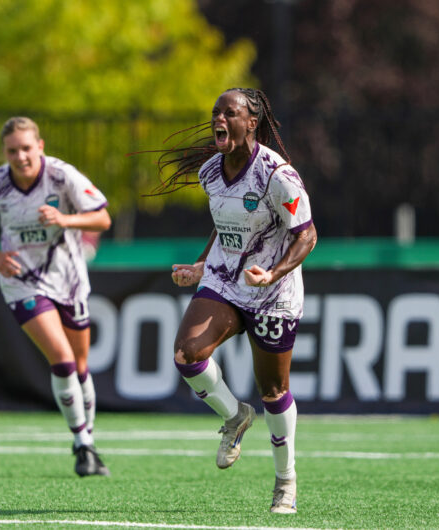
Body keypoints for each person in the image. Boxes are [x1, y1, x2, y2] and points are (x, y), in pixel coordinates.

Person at [157, 88, 316, 514]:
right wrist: (200, 264)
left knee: (274, 391)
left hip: (273, 293)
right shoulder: (211, 170)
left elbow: (307, 235)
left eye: (230, 113)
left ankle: (286, 482)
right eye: (215, 113)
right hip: (226, 281)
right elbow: (224, 222)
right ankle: (233, 417)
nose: (219, 120)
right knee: (187, 355)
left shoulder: (276, 175)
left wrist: (275, 272)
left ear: (252, 122)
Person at [0, 117, 112, 477]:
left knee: (80, 367)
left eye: (26, 148)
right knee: (62, 359)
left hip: (69, 279)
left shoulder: (62, 176)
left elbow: (102, 219)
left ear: (40, 146)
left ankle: (89, 441)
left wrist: (66, 221)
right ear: (4, 153)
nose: (20, 156)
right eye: (12, 150)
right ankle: (81, 444)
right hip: (23, 282)